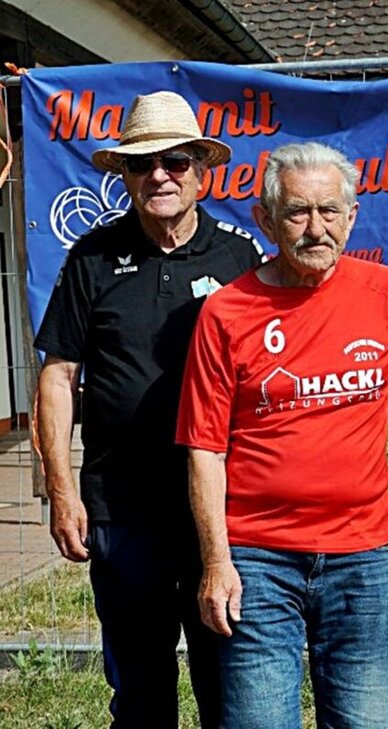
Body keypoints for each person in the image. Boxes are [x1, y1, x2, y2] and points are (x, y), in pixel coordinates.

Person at [176, 141, 388, 728]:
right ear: (266, 220)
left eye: (329, 211)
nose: (315, 228)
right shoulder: (225, 313)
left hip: (363, 558)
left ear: (352, 216)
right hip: (258, 560)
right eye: (297, 212)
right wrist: (217, 562)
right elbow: (205, 449)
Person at [34, 91, 263, 727]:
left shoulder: (239, 257)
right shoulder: (91, 258)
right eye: (142, 164)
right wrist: (61, 492)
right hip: (123, 506)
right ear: (125, 176)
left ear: (201, 171)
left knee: (227, 686)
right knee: (139, 691)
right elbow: (58, 378)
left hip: (221, 509)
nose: (159, 175)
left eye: (176, 162)